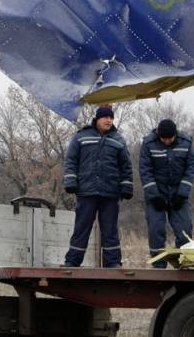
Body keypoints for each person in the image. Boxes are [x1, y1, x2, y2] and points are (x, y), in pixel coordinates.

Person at [63, 106, 134, 268]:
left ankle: (113, 262)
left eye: (111, 117)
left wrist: (127, 187)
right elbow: (71, 160)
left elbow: (126, 166)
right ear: (97, 119)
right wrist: (70, 182)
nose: (109, 120)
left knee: (110, 230)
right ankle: (72, 261)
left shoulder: (118, 140)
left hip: (110, 193)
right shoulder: (81, 136)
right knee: (81, 228)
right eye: (105, 117)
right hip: (86, 191)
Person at [139, 118, 194, 268]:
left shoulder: (187, 142)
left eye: (170, 139)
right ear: (159, 136)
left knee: (185, 229)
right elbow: (145, 171)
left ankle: (183, 263)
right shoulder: (148, 144)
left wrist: (182, 194)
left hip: (178, 194)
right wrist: (154, 196)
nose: (167, 142)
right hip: (156, 194)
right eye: (164, 139)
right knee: (156, 229)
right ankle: (158, 265)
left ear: (175, 135)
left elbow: (191, 169)